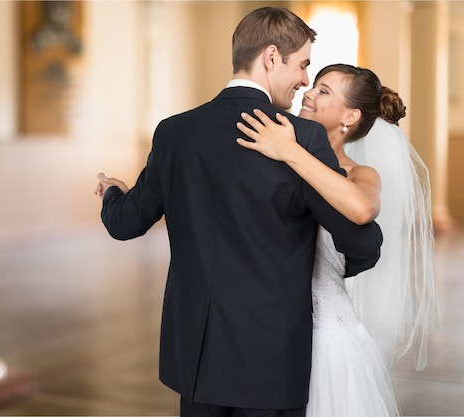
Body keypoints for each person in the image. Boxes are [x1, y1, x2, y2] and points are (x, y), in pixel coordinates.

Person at [95, 8, 384, 417]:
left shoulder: (174, 131)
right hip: (269, 358)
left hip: (195, 357)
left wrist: (111, 193)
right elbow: (361, 239)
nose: (304, 80)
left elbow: (124, 223)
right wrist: (339, 266)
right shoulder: (301, 138)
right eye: (302, 65)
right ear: (271, 58)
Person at [236, 63, 438, 416]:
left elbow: (361, 211)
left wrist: (290, 152)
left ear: (350, 116)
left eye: (324, 91)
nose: (309, 93)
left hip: (327, 337)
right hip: (267, 329)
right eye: (313, 85)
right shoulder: (272, 155)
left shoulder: (361, 174)